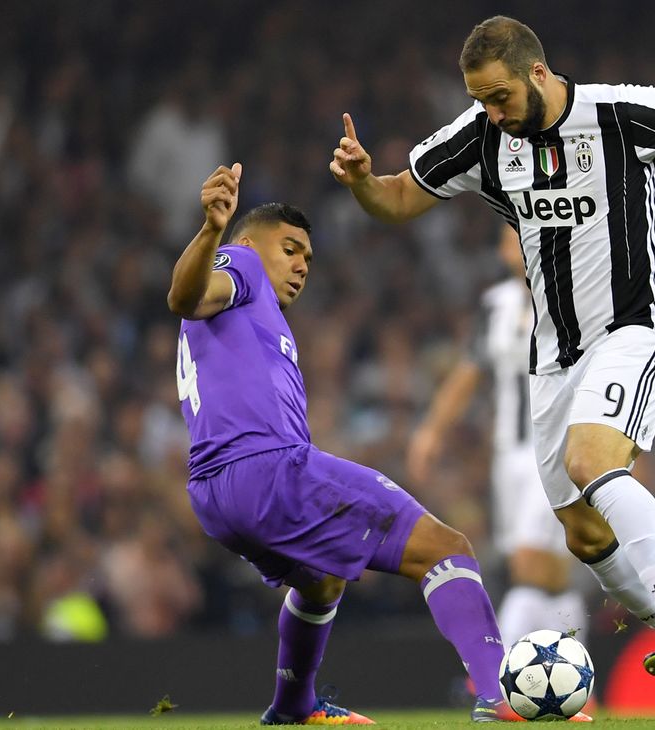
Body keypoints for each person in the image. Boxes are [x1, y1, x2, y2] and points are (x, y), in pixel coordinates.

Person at [331, 15, 655, 720]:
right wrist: (365, 180)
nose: (491, 112)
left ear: (537, 74)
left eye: (499, 96)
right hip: (552, 359)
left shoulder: (616, 113)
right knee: (582, 534)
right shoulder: (483, 138)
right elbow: (398, 198)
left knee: (590, 458)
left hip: (635, 328)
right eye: (479, 99)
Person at [167, 163, 591, 723]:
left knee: (320, 581)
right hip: (267, 470)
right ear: (249, 242)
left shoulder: (246, 314)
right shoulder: (237, 261)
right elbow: (186, 296)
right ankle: (497, 693)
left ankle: (293, 707)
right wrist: (210, 231)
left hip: (215, 495)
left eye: (308, 259)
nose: (300, 266)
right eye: (290, 249)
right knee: (446, 547)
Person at [407, 223, 587, 650]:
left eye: (521, 234)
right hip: (509, 453)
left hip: (556, 449)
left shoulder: (574, 299)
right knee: (548, 571)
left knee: (528, 561)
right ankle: (576, 674)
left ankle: (497, 669)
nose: (513, 242)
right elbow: (468, 374)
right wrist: (431, 432)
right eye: (508, 235)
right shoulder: (496, 305)